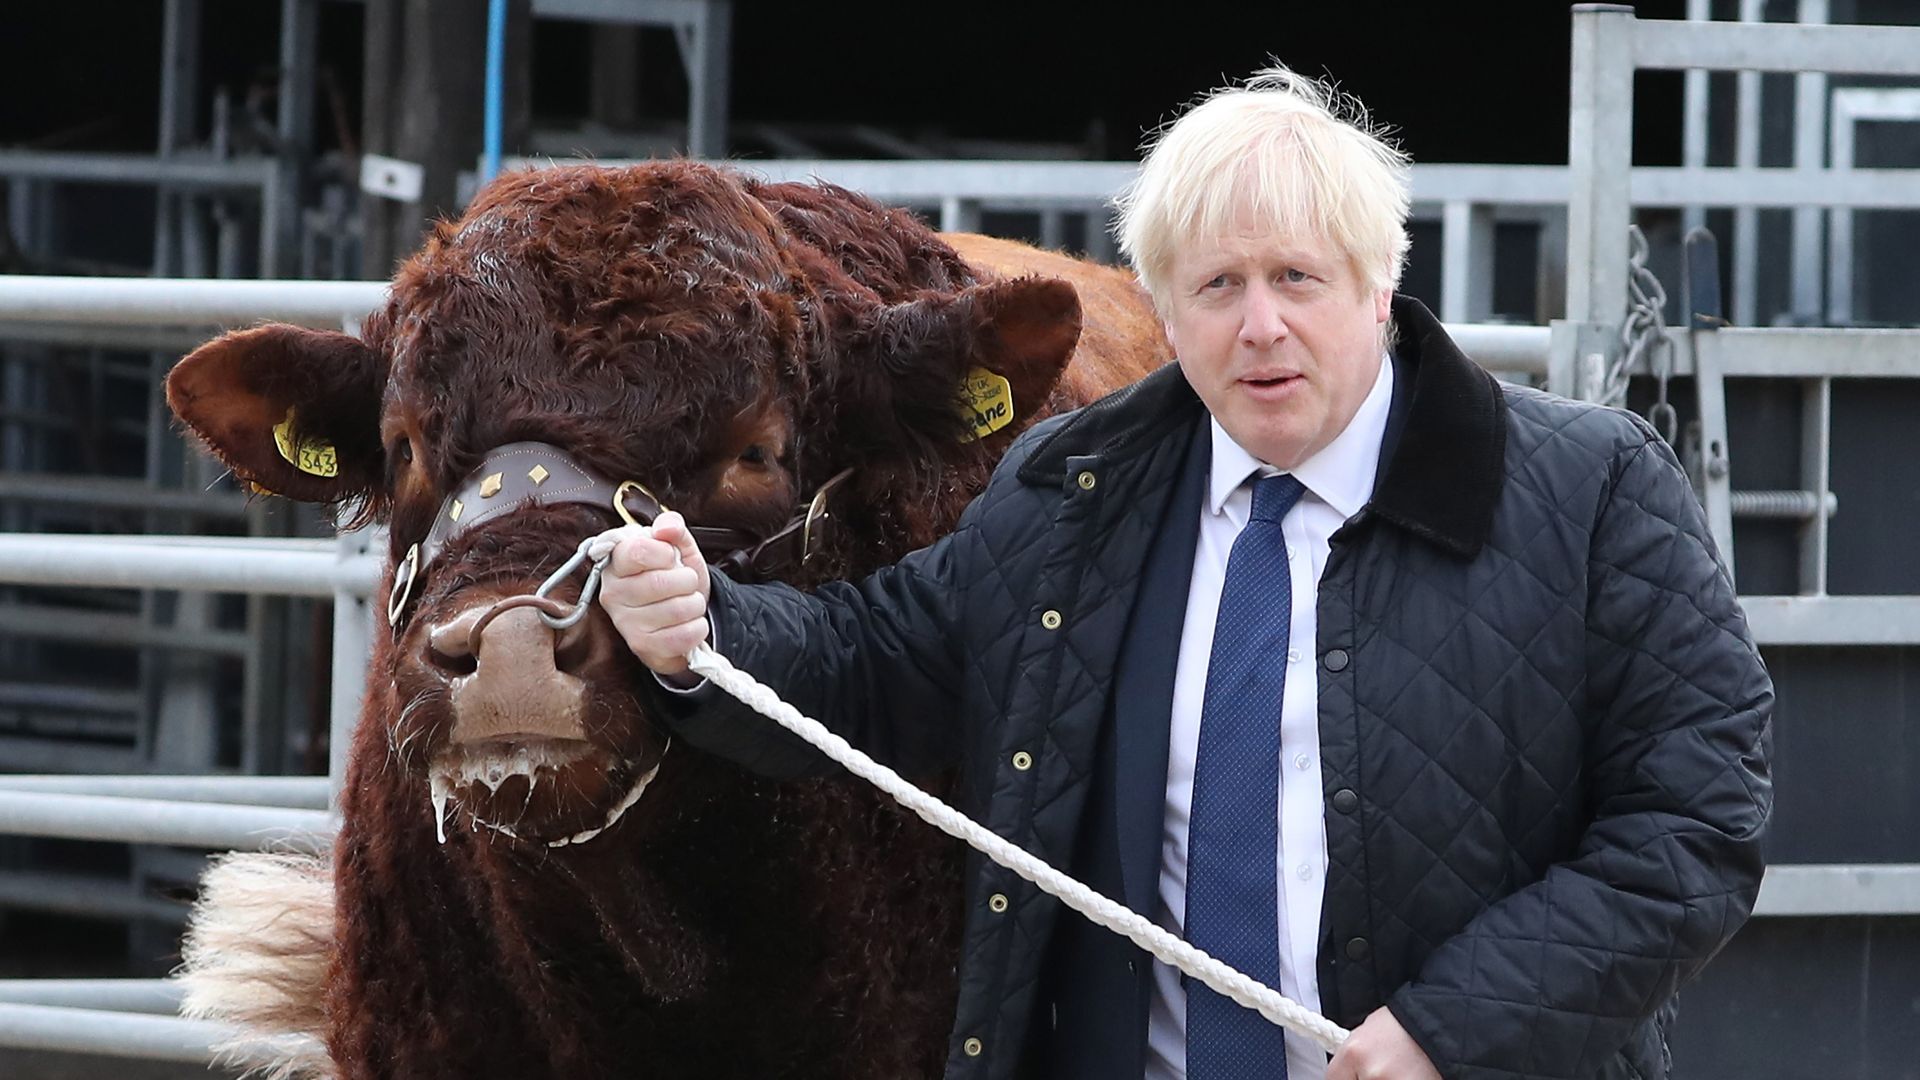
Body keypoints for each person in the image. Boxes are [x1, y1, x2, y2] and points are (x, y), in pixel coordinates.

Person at [602, 66, 1773, 1080]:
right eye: (1217, 287)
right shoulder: (1078, 488)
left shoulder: (1592, 491)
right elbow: (878, 660)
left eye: (1297, 280)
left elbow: (1694, 823)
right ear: (1163, 308)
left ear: (1379, 285)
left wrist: (1454, 1027)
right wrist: (700, 626)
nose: (1258, 326)